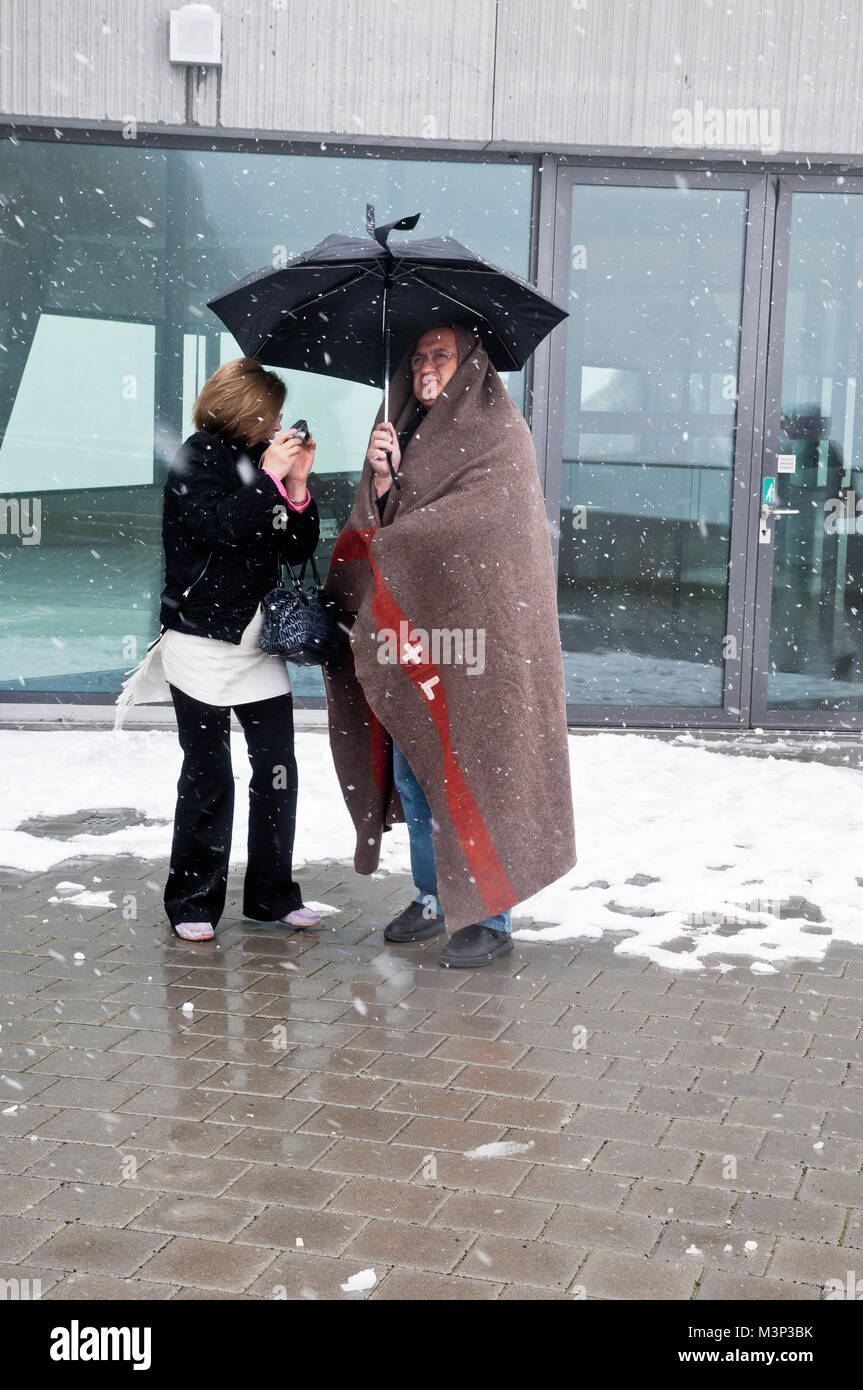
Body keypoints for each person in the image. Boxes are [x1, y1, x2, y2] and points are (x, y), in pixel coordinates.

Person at [323, 324, 576, 968]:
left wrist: (404, 531)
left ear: (469, 364)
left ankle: (490, 912)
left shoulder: (499, 436)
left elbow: (482, 527)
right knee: (414, 770)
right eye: (417, 358)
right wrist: (381, 484)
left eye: (440, 355)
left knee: (480, 769)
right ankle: (434, 894)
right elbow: (378, 530)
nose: (426, 367)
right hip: (416, 639)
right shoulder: (400, 433)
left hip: (481, 640)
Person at [158, 357, 321, 941]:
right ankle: (194, 902)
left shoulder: (263, 461)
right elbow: (215, 527)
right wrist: (270, 477)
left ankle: (273, 896)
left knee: (276, 769)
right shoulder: (196, 456)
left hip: (256, 645)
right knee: (208, 774)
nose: (276, 422)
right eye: (270, 412)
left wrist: (296, 486)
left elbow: (298, 545)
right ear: (248, 407)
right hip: (200, 641)